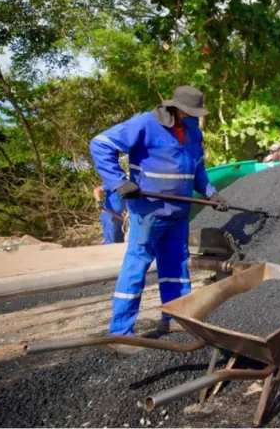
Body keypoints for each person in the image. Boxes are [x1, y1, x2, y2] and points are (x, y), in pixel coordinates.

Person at [90, 85, 230, 354]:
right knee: (136, 267)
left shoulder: (192, 131)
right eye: (189, 112)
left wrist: (212, 193)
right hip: (149, 212)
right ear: (175, 108)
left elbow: (197, 168)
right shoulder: (145, 124)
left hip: (179, 213)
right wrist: (118, 182)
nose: (193, 117)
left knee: (176, 267)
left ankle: (176, 319)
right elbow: (101, 144)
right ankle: (120, 334)